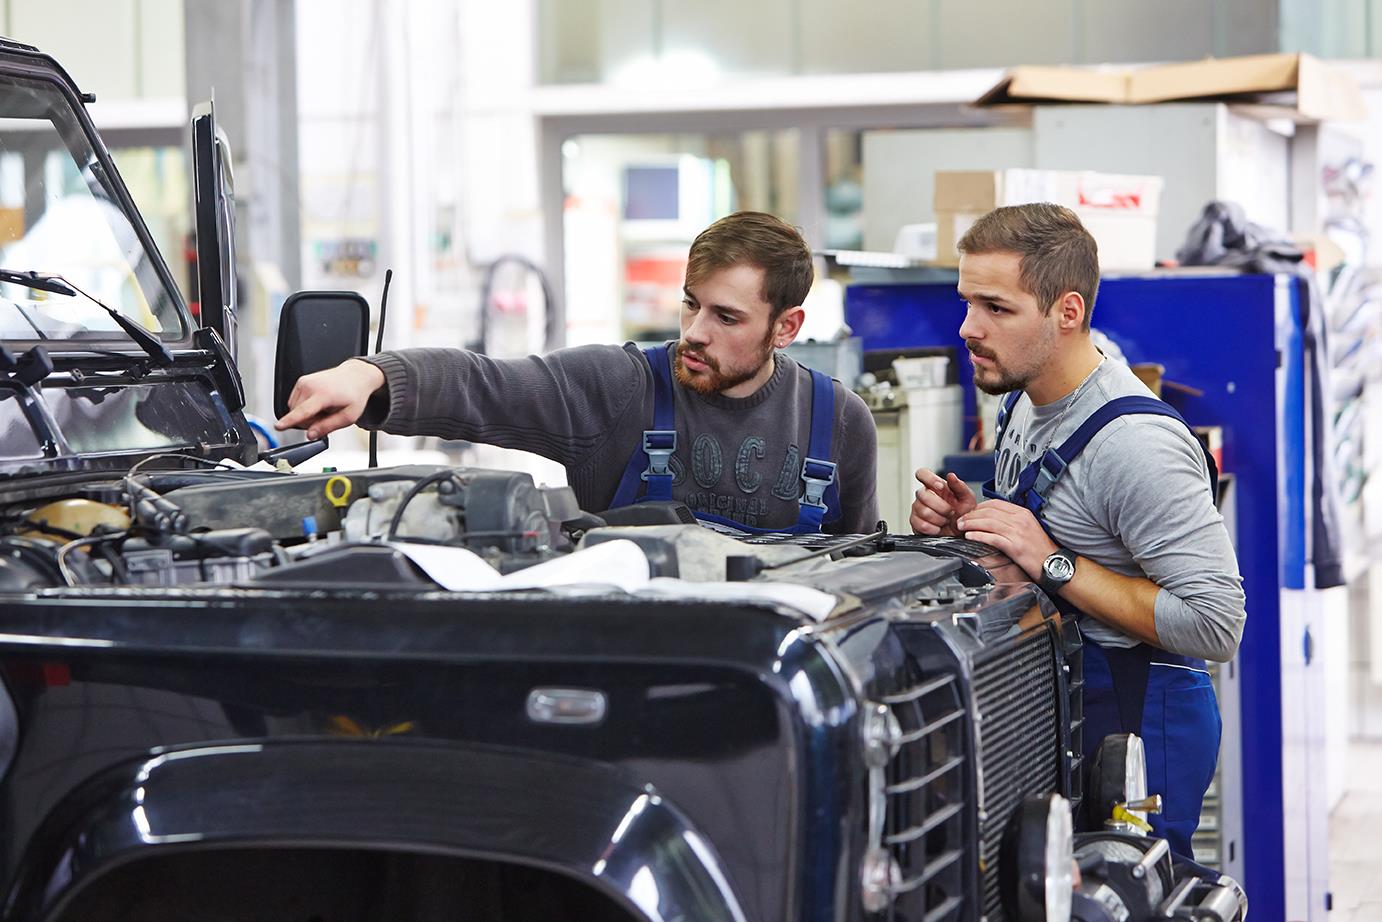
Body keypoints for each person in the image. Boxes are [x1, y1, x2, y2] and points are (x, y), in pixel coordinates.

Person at [909, 203, 1245, 857]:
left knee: (1130, 888)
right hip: (1062, 708)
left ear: (1068, 312)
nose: (968, 329)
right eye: (967, 301)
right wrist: (974, 531)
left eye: (996, 309)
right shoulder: (1021, 400)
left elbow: (1216, 622)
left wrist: (1053, 561)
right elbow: (1057, 537)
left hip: (1139, 735)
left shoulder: (1136, 444)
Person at [277, 211, 879, 535]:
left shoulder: (839, 422)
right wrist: (370, 375)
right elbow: (486, 386)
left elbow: (862, 568)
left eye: (727, 317)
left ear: (786, 327)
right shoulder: (621, 389)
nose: (695, 331)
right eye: (691, 303)